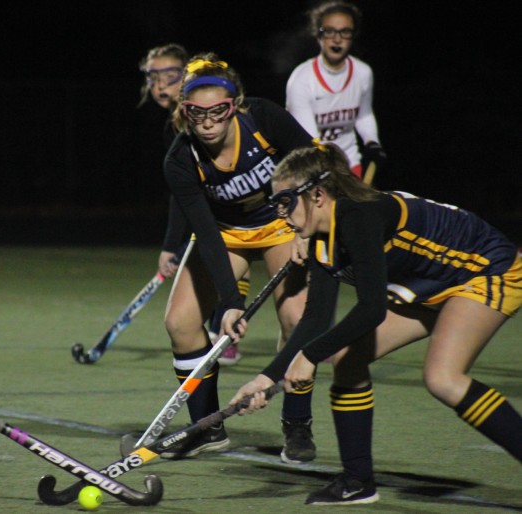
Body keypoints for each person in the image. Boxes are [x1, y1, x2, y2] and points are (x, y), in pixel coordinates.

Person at [229, 142, 522, 505]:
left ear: (317, 195)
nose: (280, 213)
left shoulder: (360, 216)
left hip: (484, 270)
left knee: (443, 378)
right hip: (429, 284)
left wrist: (310, 356)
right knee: (347, 360)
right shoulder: (321, 238)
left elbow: (371, 310)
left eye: (285, 201)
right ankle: (358, 482)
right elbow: (316, 319)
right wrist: (267, 377)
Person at [158, 53, 314, 460]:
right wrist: (231, 302)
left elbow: (316, 164)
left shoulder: (262, 118)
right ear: (184, 111)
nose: (208, 121)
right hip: (226, 234)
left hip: (282, 223)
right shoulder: (180, 160)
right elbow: (206, 233)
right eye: (197, 112)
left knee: (297, 318)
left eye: (218, 111)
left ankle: (297, 426)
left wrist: (309, 227)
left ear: (235, 106)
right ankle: (207, 427)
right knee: (180, 322)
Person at [140, 43, 250, 367]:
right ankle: (222, 330)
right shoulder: (174, 129)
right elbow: (183, 193)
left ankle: (225, 331)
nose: (160, 85)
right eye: (152, 76)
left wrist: (171, 244)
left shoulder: (202, 116)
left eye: (169, 75)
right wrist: (173, 243)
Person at [285, 0, 386, 182]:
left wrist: (372, 142)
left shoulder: (363, 73)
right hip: (314, 168)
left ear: (353, 35)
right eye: (330, 31)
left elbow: (363, 115)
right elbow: (309, 142)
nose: (337, 39)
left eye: (345, 32)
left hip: (350, 164)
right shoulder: (301, 80)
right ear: (318, 35)